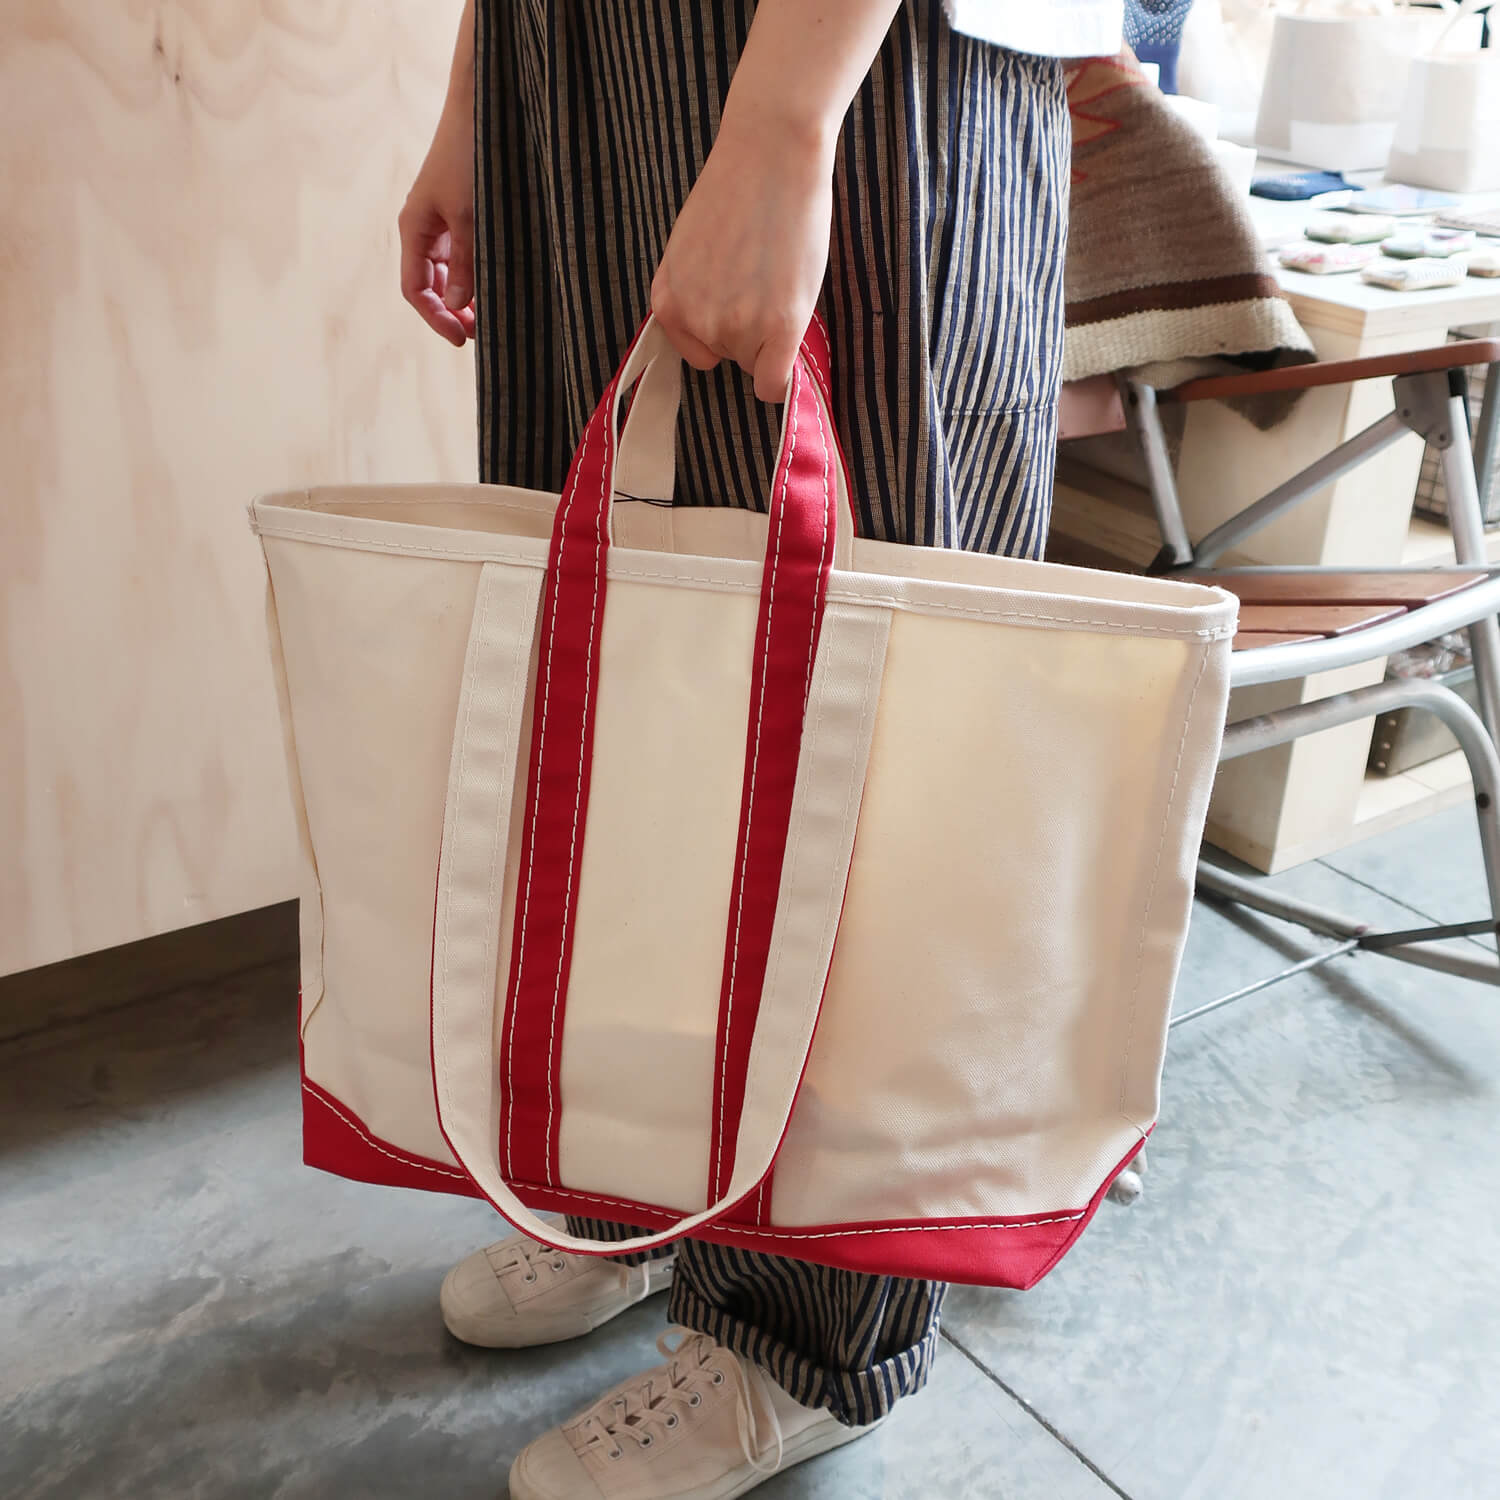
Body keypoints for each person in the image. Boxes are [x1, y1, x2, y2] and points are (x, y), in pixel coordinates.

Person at [399, 3, 1119, 1495]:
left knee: (858, 721)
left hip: (856, 48)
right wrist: (481, 87)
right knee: (628, 678)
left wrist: (789, 120)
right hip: (579, 53)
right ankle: (637, 1191)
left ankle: (811, 1331)